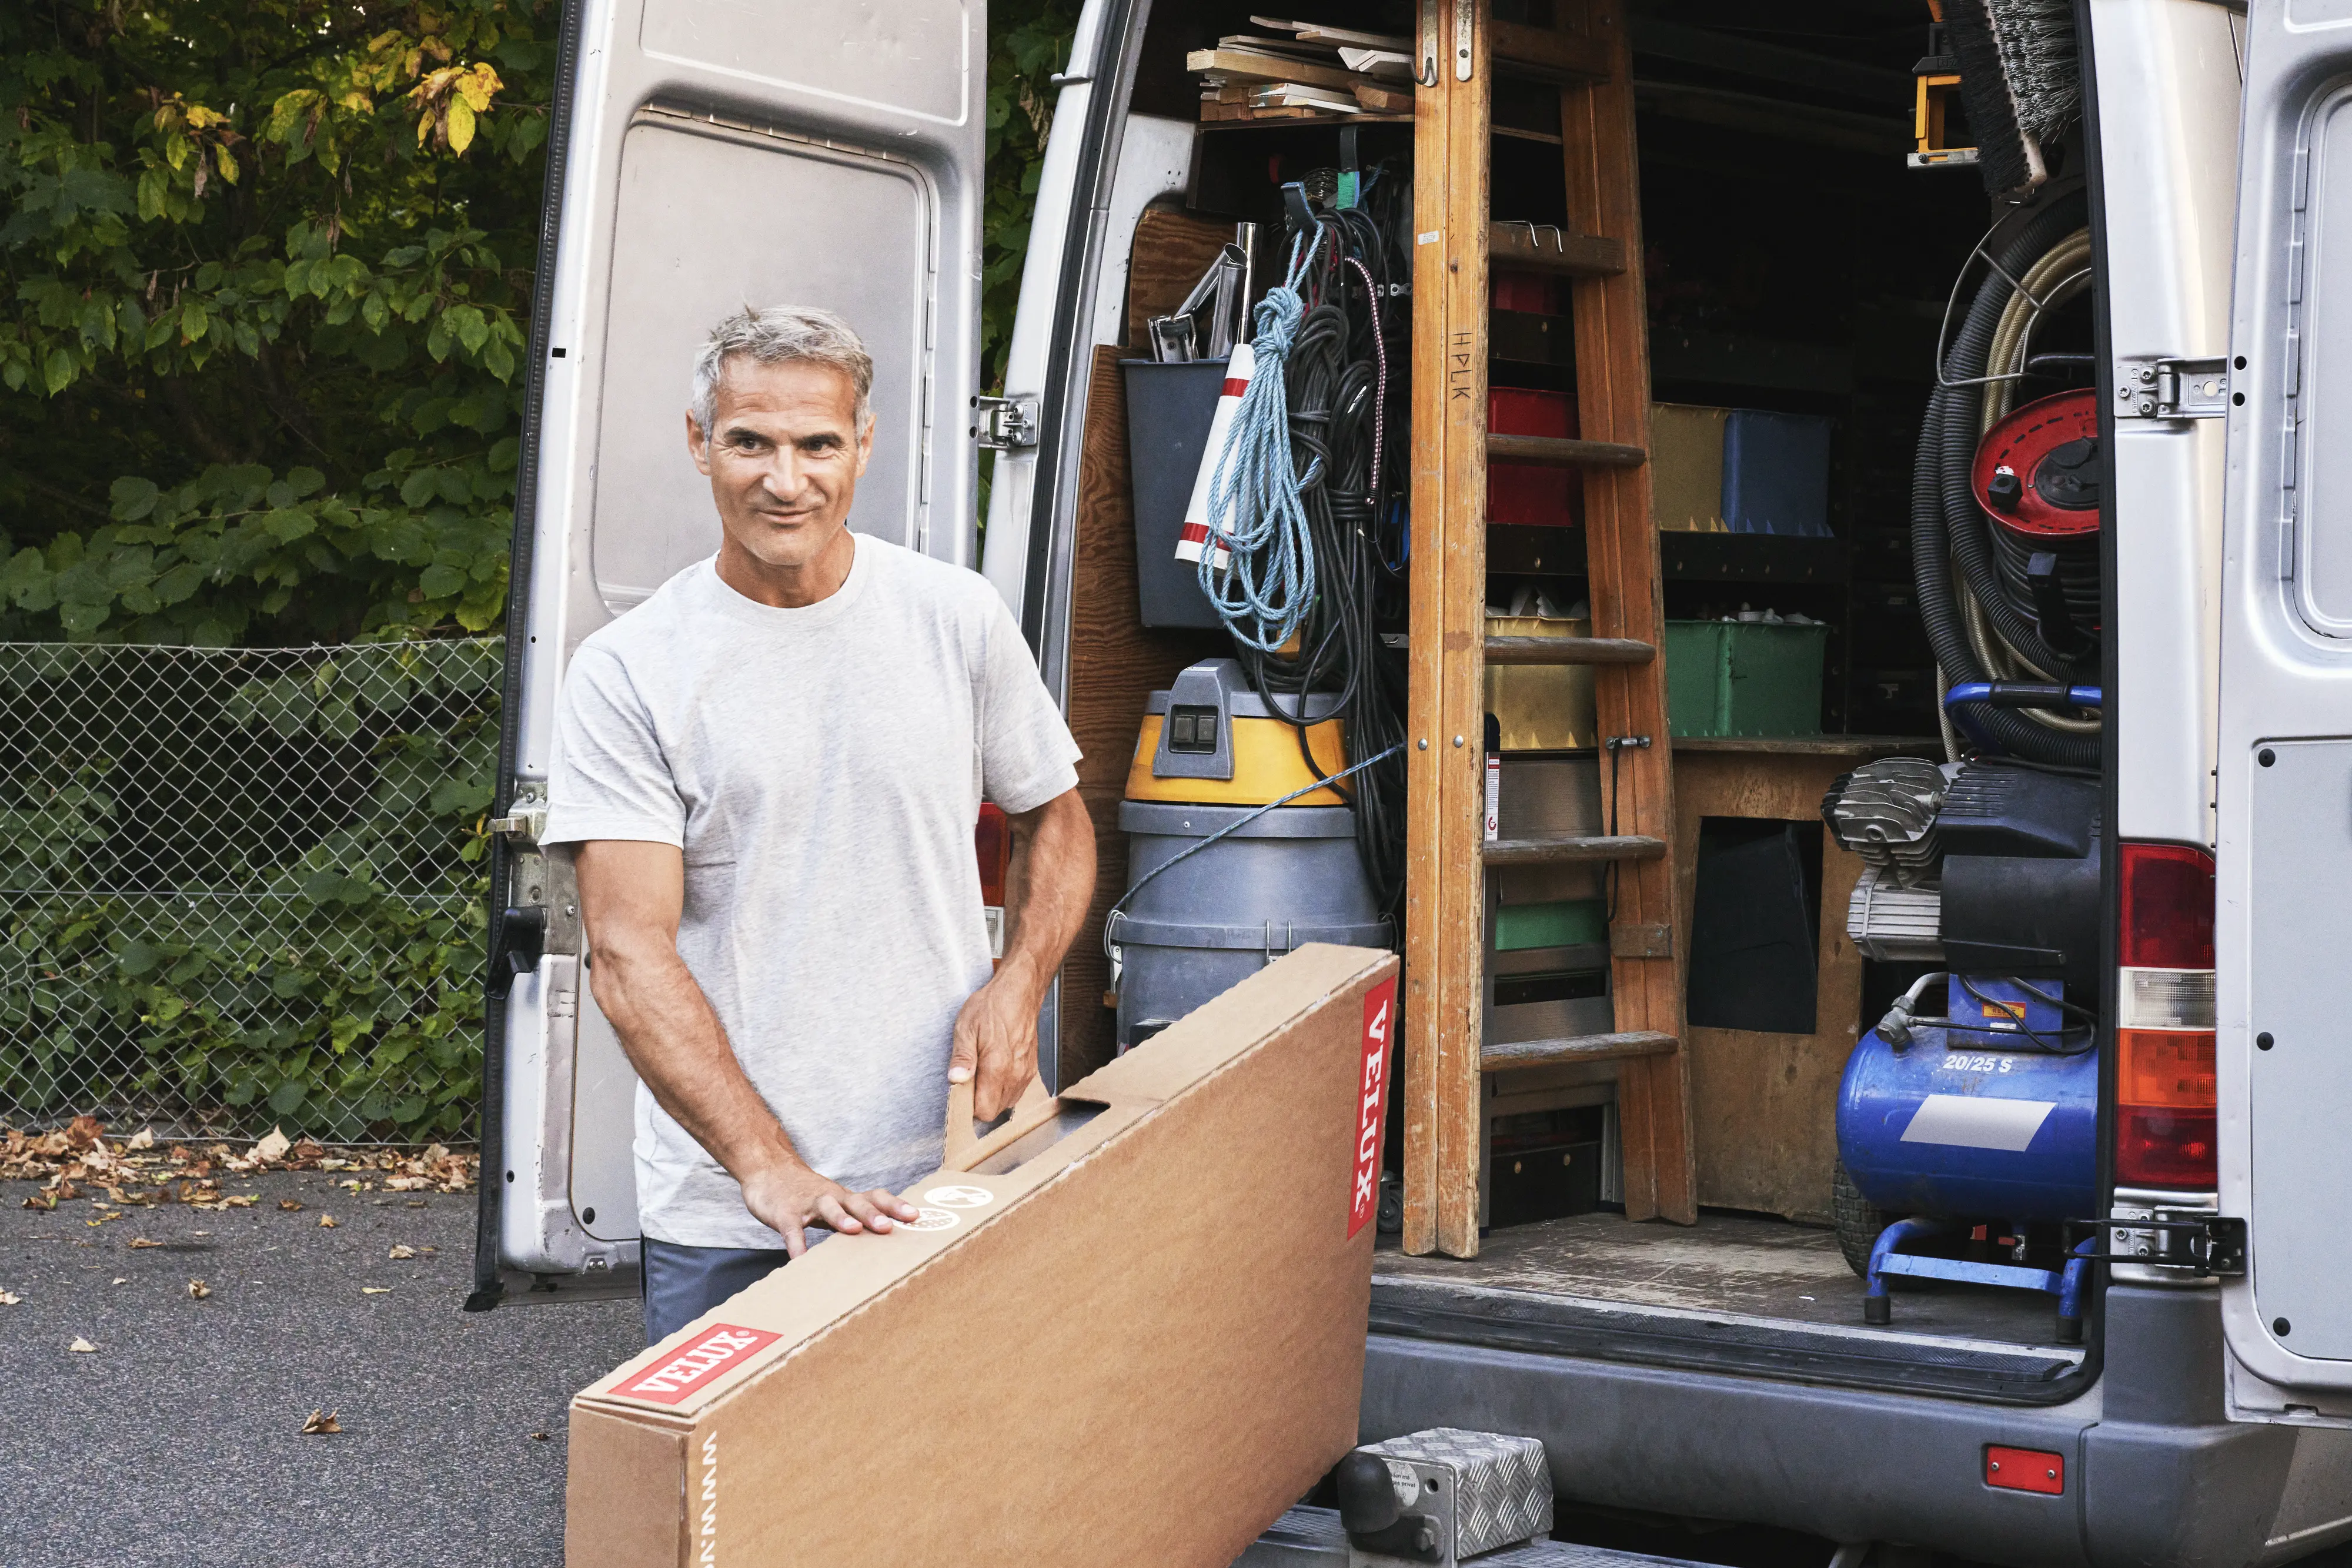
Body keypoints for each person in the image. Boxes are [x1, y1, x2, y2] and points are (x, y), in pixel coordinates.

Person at [540, 305, 1094, 1343]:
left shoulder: (955, 617)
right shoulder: (632, 670)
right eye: (750, 441)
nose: (784, 479)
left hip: (951, 1166)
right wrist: (769, 1165)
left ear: (864, 446)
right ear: (700, 442)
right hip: (740, 1214)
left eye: (816, 444)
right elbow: (625, 950)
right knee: (728, 1506)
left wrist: (1021, 984)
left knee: (961, 1484)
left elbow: (1054, 817)